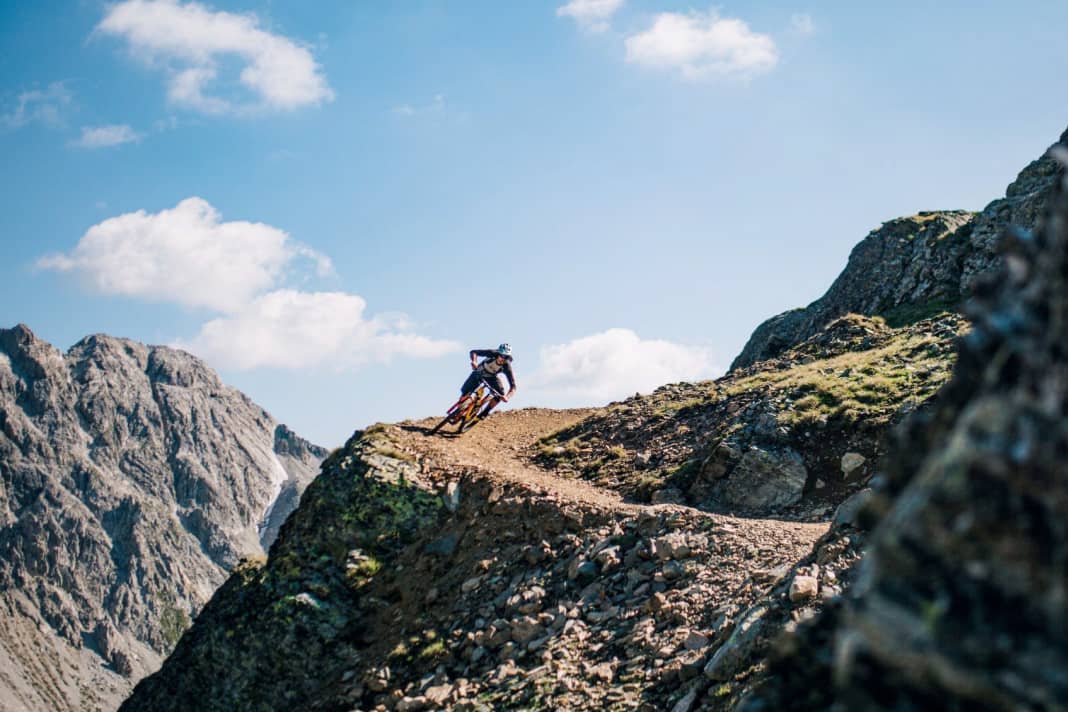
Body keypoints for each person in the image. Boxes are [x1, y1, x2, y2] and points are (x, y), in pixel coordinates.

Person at [461, 343, 517, 419]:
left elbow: (513, 386)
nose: (503, 358)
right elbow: (473, 352)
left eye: (506, 357)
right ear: (498, 353)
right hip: (479, 372)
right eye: (502, 355)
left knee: (500, 394)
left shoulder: (507, 366)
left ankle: (485, 412)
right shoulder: (492, 353)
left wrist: (507, 397)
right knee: (465, 392)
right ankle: (460, 409)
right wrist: (474, 361)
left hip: (491, 377)